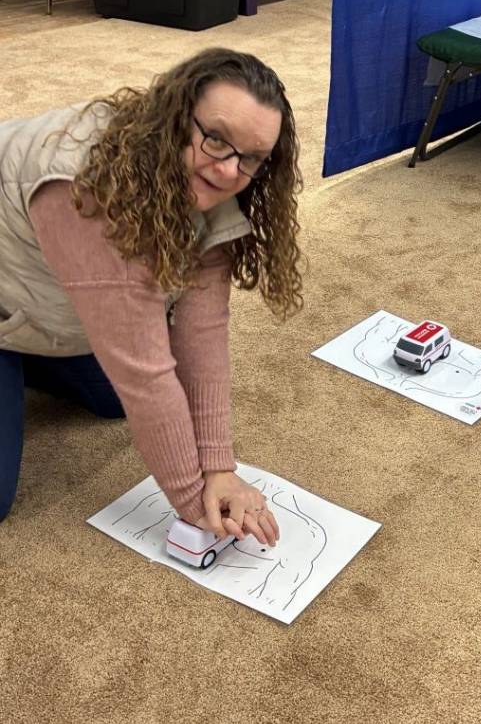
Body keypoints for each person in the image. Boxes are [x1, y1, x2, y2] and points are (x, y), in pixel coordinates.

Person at [0, 47, 303, 546]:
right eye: (216, 140)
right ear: (175, 115)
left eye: (250, 158)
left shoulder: (209, 188)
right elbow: (144, 372)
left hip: (41, 300)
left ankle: (35, 354)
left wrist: (220, 469)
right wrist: (197, 505)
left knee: (114, 399)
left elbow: (202, 331)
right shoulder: (86, 188)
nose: (229, 171)